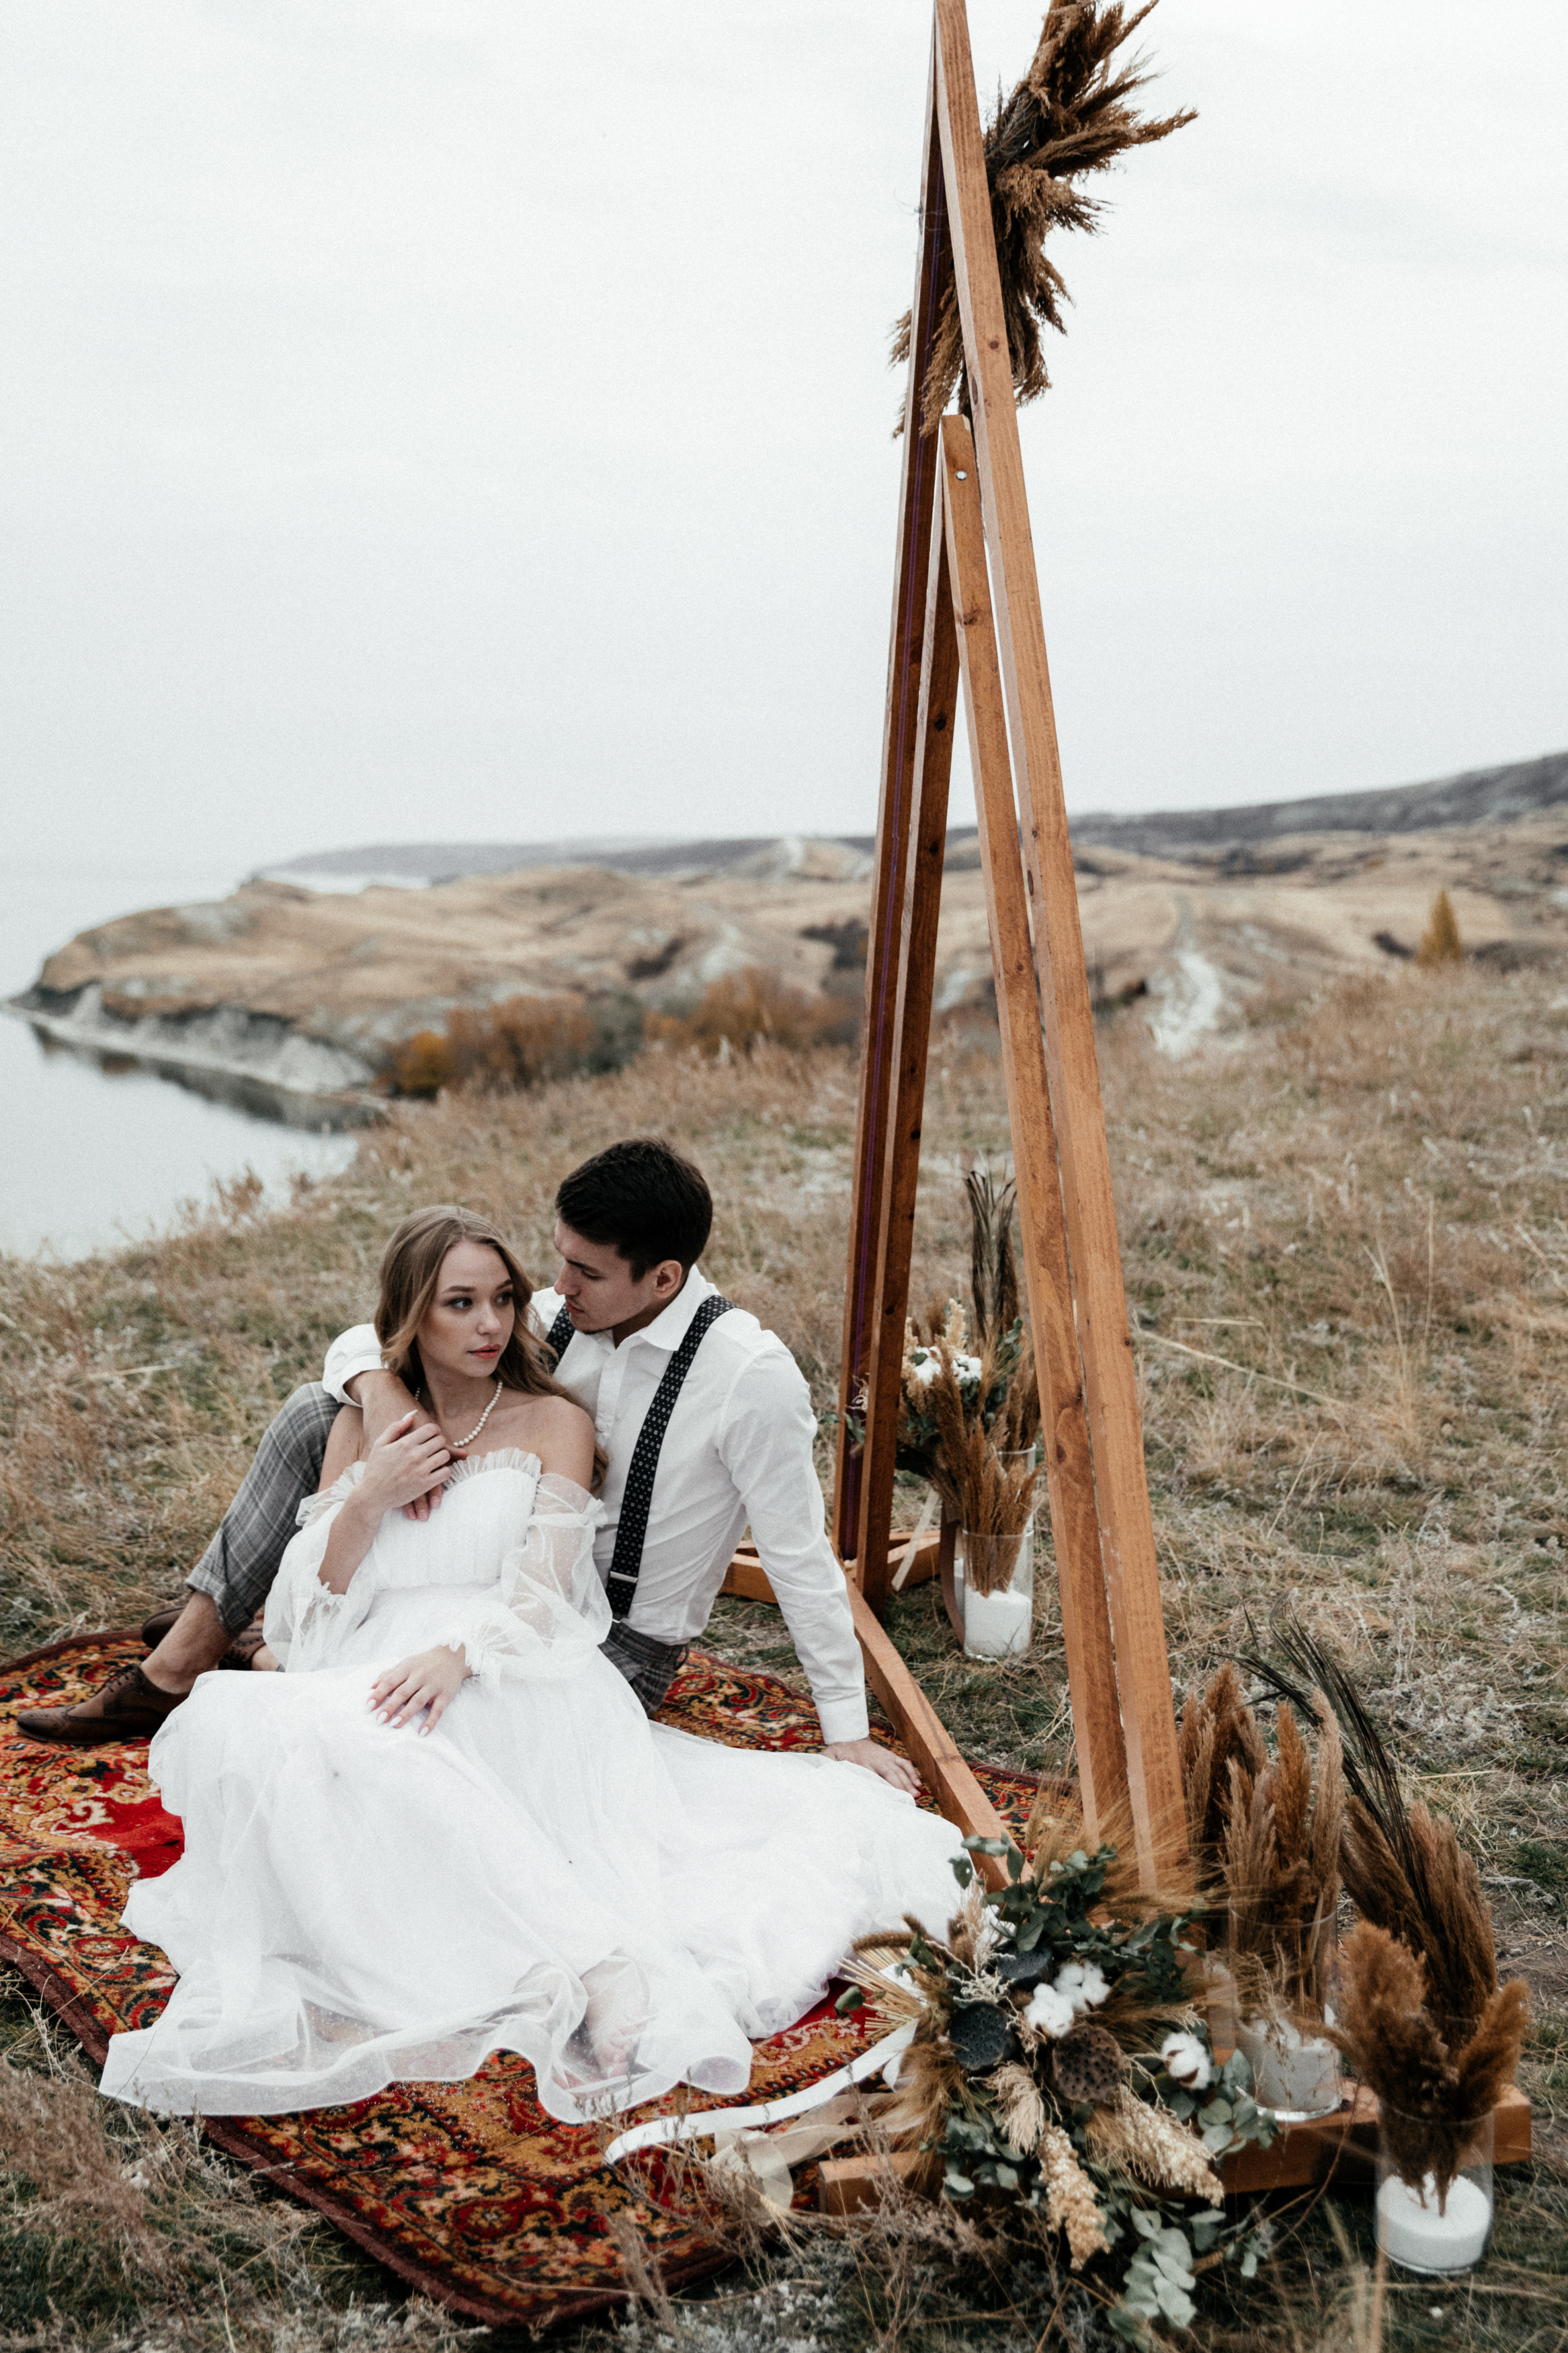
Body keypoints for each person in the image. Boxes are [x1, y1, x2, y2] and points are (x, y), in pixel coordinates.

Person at [97, 1206, 963, 2122]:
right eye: (461, 1304)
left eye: (505, 1300)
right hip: (367, 1655)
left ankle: (596, 1964)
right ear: (414, 1316)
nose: (494, 1323)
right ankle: (574, 1954)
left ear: (656, 1278)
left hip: (515, 1663)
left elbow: (549, 1593)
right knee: (283, 1727)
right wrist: (371, 1496)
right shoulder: (365, 1421)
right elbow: (305, 1614)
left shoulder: (557, 1417)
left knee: (380, 1738)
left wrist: (460, 1654)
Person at [21, 1139, 914, 1796]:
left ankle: (268, 1653)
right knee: (313, 1411)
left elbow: (800, 1557)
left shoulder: (747, 1381)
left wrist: (844, 1731)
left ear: (664, 1279)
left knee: (384, 1748)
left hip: (605, 1644)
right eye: (556, 1261)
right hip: (482, 1574)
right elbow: (380, 1333)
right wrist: (381, 1396)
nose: (554, 1288)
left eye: (583, 1273)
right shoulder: (567, 1313)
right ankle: (184, 1664)